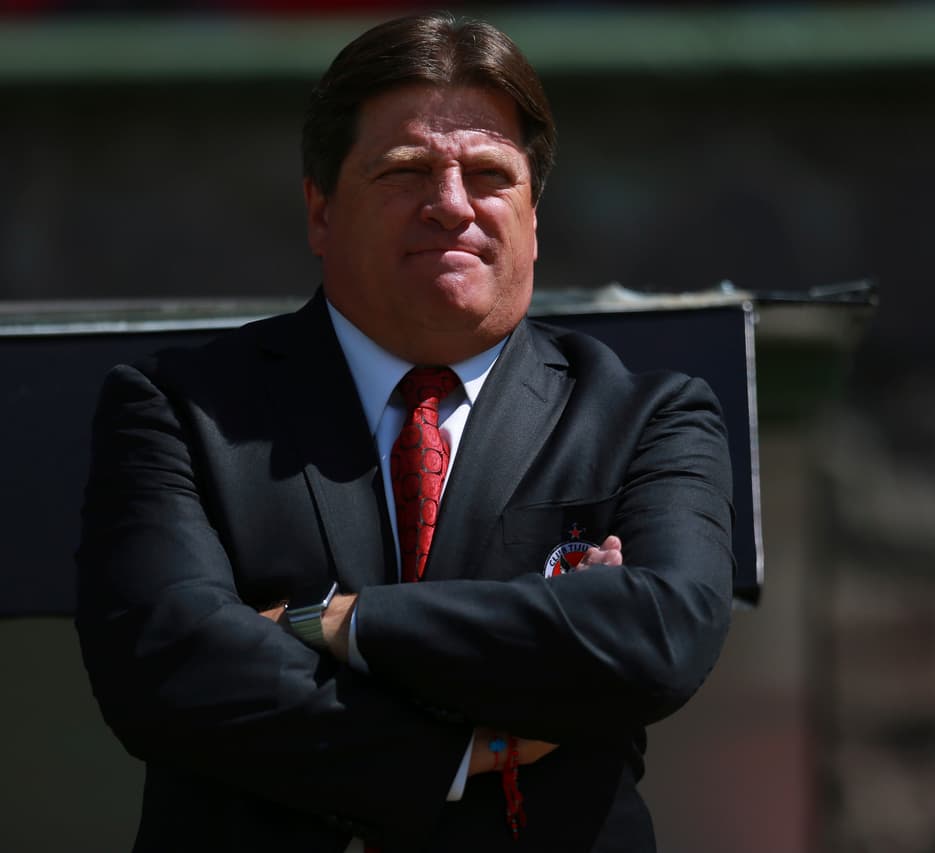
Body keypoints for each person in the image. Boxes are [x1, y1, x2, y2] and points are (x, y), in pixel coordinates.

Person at [74, 11, 734, 853]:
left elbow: (657, 637)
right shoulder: (181, 409)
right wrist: (463, 750)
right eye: (406, 170)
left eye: (490, 175)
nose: (451, 204)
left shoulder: (647, 418)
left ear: (535, 214)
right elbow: (169, 666)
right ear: (320, 210)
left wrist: (338, 624)